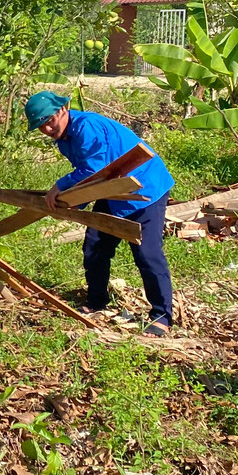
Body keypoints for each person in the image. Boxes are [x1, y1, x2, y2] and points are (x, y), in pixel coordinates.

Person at [25, 90, 175, 337]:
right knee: (95, 246)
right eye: (42, 126)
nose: (48, 129)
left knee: (146, 253)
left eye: (50, 121)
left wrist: (59, 187)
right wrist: (76, 203)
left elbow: (94, 167)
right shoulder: (65, 138)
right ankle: (96, 300)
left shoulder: (86, 127)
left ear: (63, 109)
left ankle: (161, 316)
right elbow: (95, 176)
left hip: (145, 189)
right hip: (114, 190)